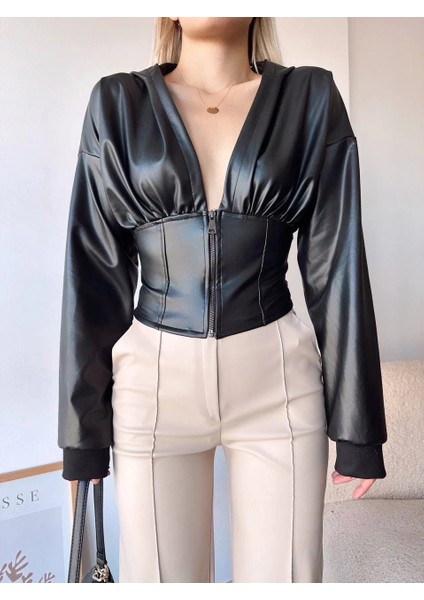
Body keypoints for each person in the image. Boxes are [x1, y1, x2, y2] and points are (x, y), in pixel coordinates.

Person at [58, 17, 388, 583]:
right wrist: (81, 434)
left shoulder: (309, 97)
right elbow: (92, 271)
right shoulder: (116, 102)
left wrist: (359, 429)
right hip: (152, 388)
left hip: (278, 385)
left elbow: (338, 265)